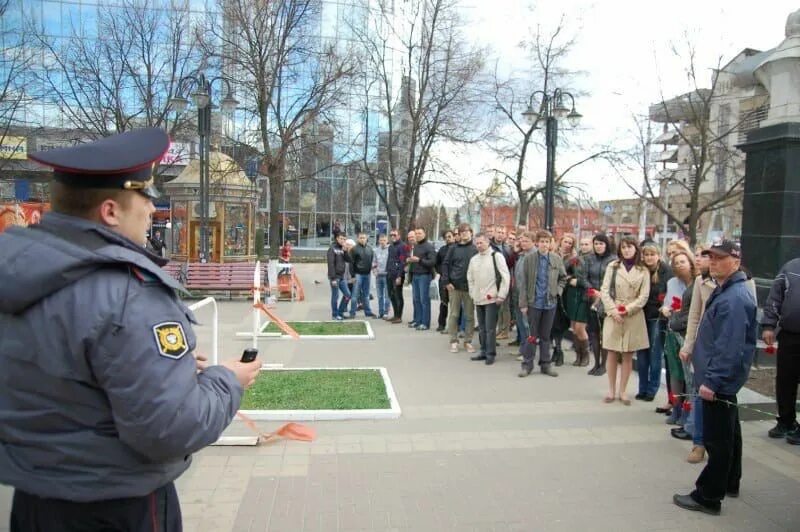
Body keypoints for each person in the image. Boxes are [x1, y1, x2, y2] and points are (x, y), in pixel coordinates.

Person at [0, 128, 262, 531]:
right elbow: (170, 428)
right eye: (146, 198)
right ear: (110, 211)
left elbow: (59, 372)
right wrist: (227, 380)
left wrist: (153, 368)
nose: (152, 212)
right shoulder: (128, 293)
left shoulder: (17, 272)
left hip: (34, 501)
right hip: (115, 506)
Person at [673, 240, 757, 516]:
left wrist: (712, 380)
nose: (714, 262)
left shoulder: (734, 297)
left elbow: (729, 346)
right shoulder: (728, 290)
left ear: (735, 261)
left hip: (717, 380)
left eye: (721, 258)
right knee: (729, 434)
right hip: (719, 378)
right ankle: (730, 481)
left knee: (717, 440)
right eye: (712, 258)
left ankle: (708, 496)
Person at [599, 236, 650, 405]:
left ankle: (623, 391)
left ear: (636, 249)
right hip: (613, 312)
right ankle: (611, 390)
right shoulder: (613, 266)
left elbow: (644, 296)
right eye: (623, 247)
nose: (626, 250)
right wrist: (613, 311)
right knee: (612, 352)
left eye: (630, 247)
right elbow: (604, 290)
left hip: (633, 314)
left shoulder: (643, 270)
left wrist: (627, 309)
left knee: (628, 354)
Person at [517, 230, 567, 378]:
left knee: (545, 336)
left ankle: (545, 364)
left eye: (547, 241)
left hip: (550, 303)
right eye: (542, 241)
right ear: (537, 242)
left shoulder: (556, 259)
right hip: (534, 303)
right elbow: (523, 283)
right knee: (532, 336)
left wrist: (558, 291)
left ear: (550, 243)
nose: (544, 244)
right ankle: (527, 364)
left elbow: (563, 278)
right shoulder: (529, 259)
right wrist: (523, 304)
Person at [761, 256, 800, 445]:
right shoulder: (790, 268)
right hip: (790, 335)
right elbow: (775, 298)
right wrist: (769, 325)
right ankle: (786, 421)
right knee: (785, 380)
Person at [661, 251, 696, 436]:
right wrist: (666, 309)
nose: (680, 265)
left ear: (691, 263)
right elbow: (666, 304)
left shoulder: (698, 283)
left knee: (689, 376)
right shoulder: (671, 283)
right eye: (676, 263)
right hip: (673, 331)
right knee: (675, 372)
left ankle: (688, 413)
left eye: (683, 261)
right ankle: (676, 408)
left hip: (688, 333)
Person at [467, 233, 510, 365]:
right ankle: (483, 351)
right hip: (478, 298)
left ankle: (491, 353)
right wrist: (473, 294)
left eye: (481, 242)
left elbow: (505, 276)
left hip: (492, 298)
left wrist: (502, 294)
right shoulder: (474, 259)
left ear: (488, 242)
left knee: (490, 328)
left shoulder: (496, 256)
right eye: (477, 243)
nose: (479, 245)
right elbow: (470, 278)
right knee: (481, 327)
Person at [637, 241, 672, 403]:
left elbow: (669, 294)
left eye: (652, 254)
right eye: (646, 255)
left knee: (654, 354)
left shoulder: (666, 271)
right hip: (639, 316)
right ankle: (642, 388)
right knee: (642, 354)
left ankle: (652, 389)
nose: (649, 258)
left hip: (656, 317)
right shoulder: (640, 270)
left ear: (658, 255)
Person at [442, 223, 478, 354]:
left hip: (470, 288)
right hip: (454, 287)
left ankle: (468, 341)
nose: (464, 234)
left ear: (471, 233)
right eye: (461, 232)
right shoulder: (453, 248)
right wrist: (446, 281)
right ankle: (453, 341)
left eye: (466, 231)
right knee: (454, 314)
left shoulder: (475, 249)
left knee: (469, 315)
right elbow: (445, 265)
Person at [585, 233, 616, 376]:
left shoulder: (614, 260)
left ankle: (604, 364)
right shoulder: (589, 259)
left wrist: (603, 293)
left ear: (606, 245)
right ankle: (596, 363)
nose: (598, 246)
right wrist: (592, 290)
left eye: (601, 244)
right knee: (593, 333)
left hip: (607, 300)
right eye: (596, 243)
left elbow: (614, 282)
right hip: (591, 298)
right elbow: (583, 277)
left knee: (605, 333)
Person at [561, 233, 591, 367]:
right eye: (582, 244)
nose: (584, 246)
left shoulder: (593, 259)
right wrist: (568, 278)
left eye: (587, 244)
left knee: (580, 327)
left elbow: (592, 279)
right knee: (574, 327)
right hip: (572, 295)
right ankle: (578, 356)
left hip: (585, 295)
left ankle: (586, 355)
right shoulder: (576, 258)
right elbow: (563, 270)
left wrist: (577, 281)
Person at [408, 228, 436, 330]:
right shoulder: (415, 246)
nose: (418, 235)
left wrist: (419, 260)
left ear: (424, 234)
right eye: (416, 233)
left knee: (424, 300)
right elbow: (414, 261)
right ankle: (418, 320)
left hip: (424, 275)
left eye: (420, 233)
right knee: (416, 300)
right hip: (415, 275)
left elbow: (432, 262)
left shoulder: (429, 246)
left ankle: (425, 323)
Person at [350, 232, 376, 318]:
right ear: (357, 239)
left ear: (366, 238)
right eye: (360, 238)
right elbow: (351, 263)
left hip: (367, 275)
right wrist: (353, 276)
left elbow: (371, 261)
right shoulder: (354, 249)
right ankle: (352, 313)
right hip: (358, 275)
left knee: (366, 295)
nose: (362, 239)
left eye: (364, 237)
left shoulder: (370, 249)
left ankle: (368, 312)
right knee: (355, 294)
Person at [386, 229, 409, 323]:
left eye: (394, 235)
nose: (392, 237)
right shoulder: (391, 246)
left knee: (398, 295)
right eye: (391, 235)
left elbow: (403, 262)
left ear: (399, 235)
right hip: (390, 274)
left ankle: (399, 316)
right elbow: (389, 259)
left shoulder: (403, 246)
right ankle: (395, 315)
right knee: (391, 295)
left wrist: (399, 276)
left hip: (398, 275)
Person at [327, 233, 352, 320]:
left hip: (342, 277)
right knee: (335, 296)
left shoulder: (342, 249)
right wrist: (333, 278)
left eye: (344, 239)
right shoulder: (332, 249)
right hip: (335, 277)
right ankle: (335, 315)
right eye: (341, 239)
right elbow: (330, 264)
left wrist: (345, 251)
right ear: (337, 239)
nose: (343, 241)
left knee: (348, 295)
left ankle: (340, 312)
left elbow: (349, 260)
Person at [435, 230, 456, 332]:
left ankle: (454, 326)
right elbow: (437, 263)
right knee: (444, 302)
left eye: (450, 236)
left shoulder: (457, 248)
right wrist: (442, 272)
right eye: (446, 237)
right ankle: (441, 324)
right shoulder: (442, 250)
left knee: (454, 304)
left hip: (454, 280)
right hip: (443, 279)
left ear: (454, 237)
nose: (448, 238)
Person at [373, 233, 391, 319]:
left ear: (387, 241)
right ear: (378, 241)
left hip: (387, 276)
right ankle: (380, 313)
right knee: (380, 296)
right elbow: (374, 262)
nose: (382, 242)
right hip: (378, 276)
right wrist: (374, 271)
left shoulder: (390, 249)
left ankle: (386, 312)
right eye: (381, 240)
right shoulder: (376, 250)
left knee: (387, 296)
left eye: (384, 240)